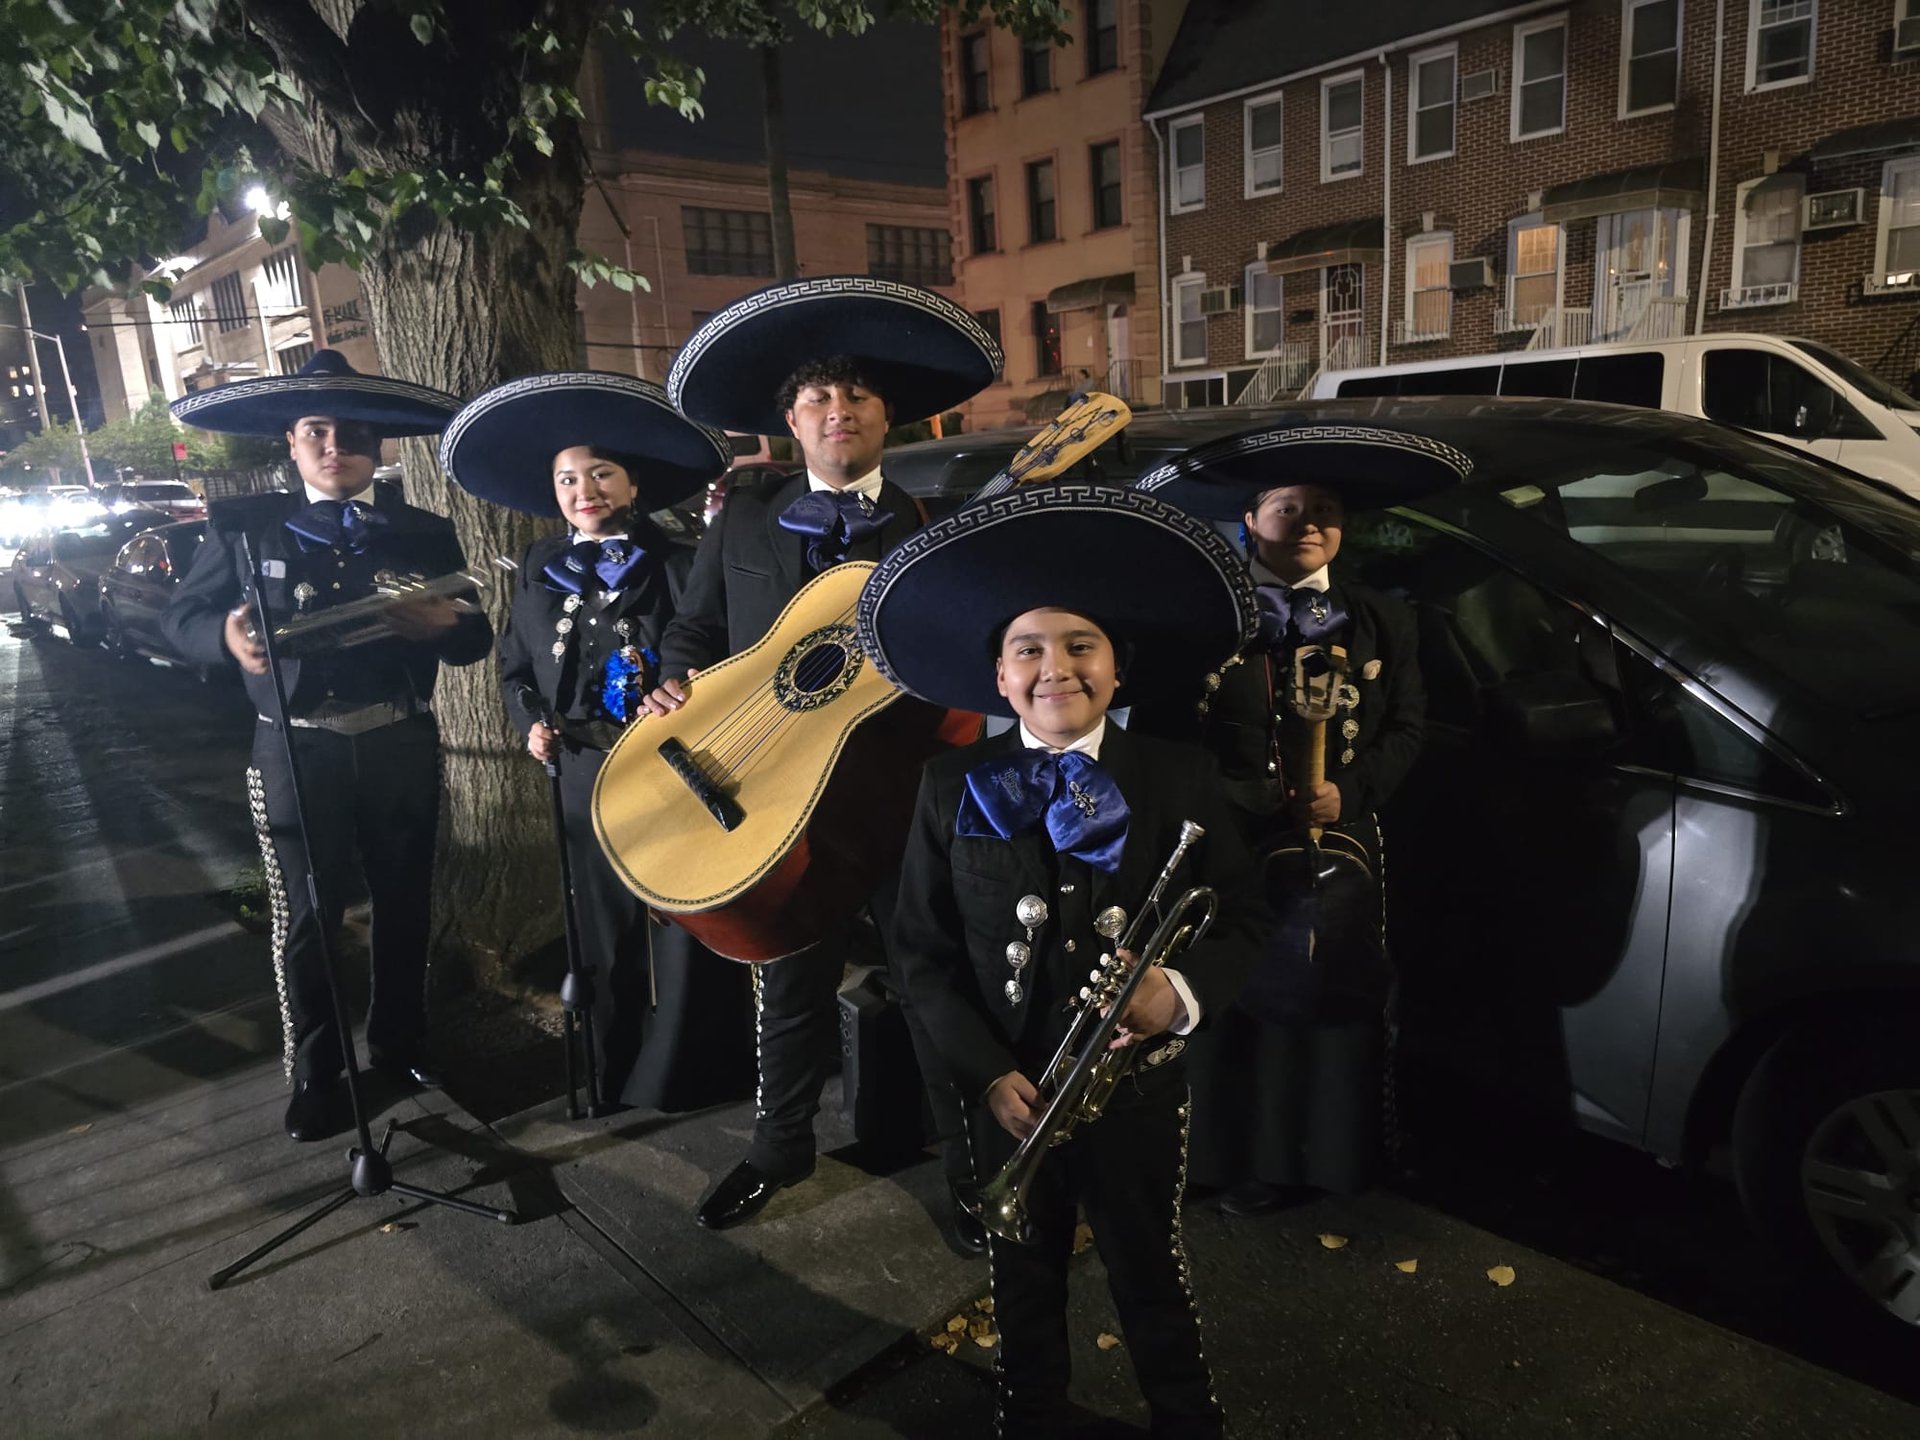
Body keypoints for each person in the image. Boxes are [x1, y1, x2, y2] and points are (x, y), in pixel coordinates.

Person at [860, 481, 1266, 1440]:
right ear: (999, 677)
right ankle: (1029, 1416)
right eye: (1028, 650)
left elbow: (1244, 914)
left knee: (1149, 1270)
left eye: (1080, 646)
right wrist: (986, 1072)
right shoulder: (949, 784)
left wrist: (1181, 994)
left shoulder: (1180, 775)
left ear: (1116, 670)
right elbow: (920, 952)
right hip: (1010, 1086)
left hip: (1133, 1085)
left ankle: (1186, 1421)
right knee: (1023, 1274)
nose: (1056, 668)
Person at [646, 275, 1002, 1234]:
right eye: (817, 399)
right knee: (788, 976)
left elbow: (973, 658)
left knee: (931, 979)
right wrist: (675, 684)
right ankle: (779, 1148)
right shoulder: (745, 522)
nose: (837, 412)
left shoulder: (929, 532)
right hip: (771, 790)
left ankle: (970, 1172)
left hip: (899, 791)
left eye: (855, 397)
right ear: (789, 422)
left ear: (889, 417)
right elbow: (693, 632)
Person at [163, 350, 493, 1142]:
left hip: (398, 738)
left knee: (406, 903)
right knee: (308, 917)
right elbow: (180, 620)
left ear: (378, 447)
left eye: (351, 431)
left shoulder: (424, 530)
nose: (334, 443)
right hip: (296, 746)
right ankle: (318, 1070)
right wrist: (225, 636)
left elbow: (475, 632)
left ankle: (402, 1043)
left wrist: (449, 626)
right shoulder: (247, 529)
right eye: (317, 429)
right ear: (291, 440)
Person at [1133, 423, 1464, 1209]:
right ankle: (1224, 1164)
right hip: (1224, 848)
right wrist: (1234, 805)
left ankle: (1315, 1163)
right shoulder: (1200, 619)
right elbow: (1160, 737)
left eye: (1325, 508)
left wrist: (1346, 795)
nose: (1309, 522)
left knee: (1324, 1001)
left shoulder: (1385, 619)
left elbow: (1409, 727)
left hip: (1338, 848)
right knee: (1229, 1004)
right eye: (1288, 507)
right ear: (1249, 519)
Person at [437, 371, 755, 1112]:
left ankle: (687, 1072)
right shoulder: (542, 569)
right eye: (568, 478)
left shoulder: (679, 562)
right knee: (601, 925)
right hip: (579, 766)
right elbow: (515, 667)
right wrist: (531, 726)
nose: (585, 489)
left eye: (601, 472)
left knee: (680, 914)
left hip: (669, 764)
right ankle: (610, 1070)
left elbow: (718, 652)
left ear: (633, 482)